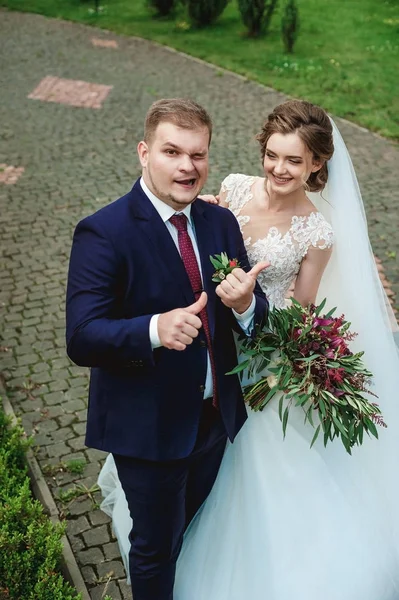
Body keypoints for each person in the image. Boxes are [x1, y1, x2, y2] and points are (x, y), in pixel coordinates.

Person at [99, 99, 399, 599]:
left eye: (295, 161)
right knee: (176, 479)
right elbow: (197, 239)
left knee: (245, 486)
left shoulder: (317, 232)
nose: (280, 169)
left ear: (317, 165)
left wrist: (247, 307)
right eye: (273, 155)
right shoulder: (233, 189)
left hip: (260, 368)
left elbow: (301, 311)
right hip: (201, 348)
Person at [65, 98, 268, 600]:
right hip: (148, 428)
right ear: (143, 151)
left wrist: (245, 306)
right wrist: (154, 328)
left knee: (193, 532)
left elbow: (253, 312)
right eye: (172, 151)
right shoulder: (103, 232)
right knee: (154, 549)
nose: (187, 167)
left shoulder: (220, 224)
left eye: (198, 155)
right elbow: (82, 336)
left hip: (214, 420)